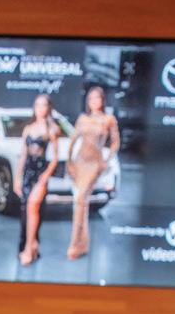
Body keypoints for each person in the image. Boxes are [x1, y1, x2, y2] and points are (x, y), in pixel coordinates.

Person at [66, 85, 119, 260]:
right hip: (79, 162)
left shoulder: (108, 119)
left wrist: (106, 160)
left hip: (94, 164)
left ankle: (75, 244)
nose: (94, 101)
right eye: (91, 98)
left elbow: (115, 142)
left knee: (81, 200)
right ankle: (82, 244)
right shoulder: (83, 118)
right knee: (81, 203)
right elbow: (73, 140)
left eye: (97, 98)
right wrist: (69, 161)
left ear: (102, 100)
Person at [15, 94, 59, 266]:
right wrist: (17, 179)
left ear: (48, 108)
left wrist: (46, 175)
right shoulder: (28, 128)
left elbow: (55, 158)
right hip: (27, 173)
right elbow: (23, 156)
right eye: (37, 105)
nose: (40, 108)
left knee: (33, 206)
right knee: (28, 210)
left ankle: (28, 248)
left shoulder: (52, 129)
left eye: (44, 105)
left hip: (41, 174)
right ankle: (33, 244)